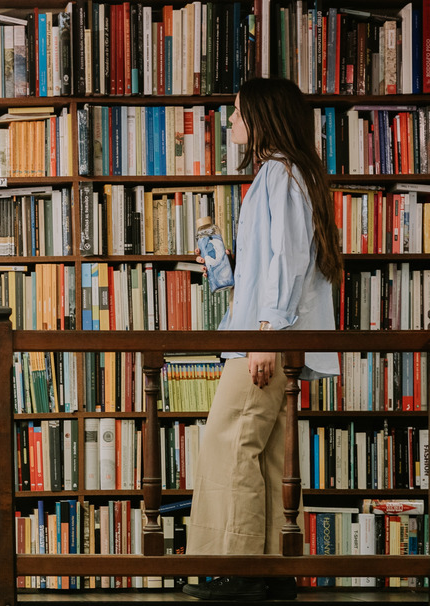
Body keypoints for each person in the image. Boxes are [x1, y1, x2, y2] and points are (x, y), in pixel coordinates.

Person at [182, 77, 342, 601]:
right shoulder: (289, 175)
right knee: (267, 454)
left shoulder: (278, 173)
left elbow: (289, 261)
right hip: (270, 330)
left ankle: (241, 569)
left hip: (267, 336)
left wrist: (267, 332)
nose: (229, 124)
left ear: (260, 117)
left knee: (228, 445)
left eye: (235, 114)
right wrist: (225, 268)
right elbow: (271, 265)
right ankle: (271, 572)